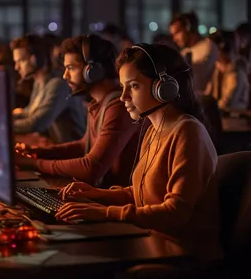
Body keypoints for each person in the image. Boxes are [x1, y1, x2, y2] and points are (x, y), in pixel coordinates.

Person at [56, 42, 223, 264]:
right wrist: (95, 195)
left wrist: (103, 213)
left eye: (133, 86)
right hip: (154, 241)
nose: (123, 96)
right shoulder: (154, 128)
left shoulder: (187, 132)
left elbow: (174, 213)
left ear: (163, 88)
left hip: (185, 256)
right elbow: (141, 194)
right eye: (123, 86)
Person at [16, 34, 149, 188]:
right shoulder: (97, 103)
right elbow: (83, 146)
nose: (65, 76)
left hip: (116, 200)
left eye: (71, 68)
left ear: (92, 71)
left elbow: (92, 167)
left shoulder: (119, 106)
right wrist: (36, 152)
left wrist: (34, 164)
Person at [12, 34, 86, 143]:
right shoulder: (39, 81)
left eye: (21, 61)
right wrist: (4, 117)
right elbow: (29, 112)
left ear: (34, 59)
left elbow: (37, 123)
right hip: (55, 147)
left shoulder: (58, 84)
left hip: (71, 153)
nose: (16, 67)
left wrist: (3, 125)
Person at [169, 12, 218, 93]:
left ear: (189, 28)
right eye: (173, 35)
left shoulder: (208, 46)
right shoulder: (184, 52)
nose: (175, 39)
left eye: (177, 32)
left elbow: (199, 70)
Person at [206, 30, 249, 110]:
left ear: (222, 47)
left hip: (234, 119)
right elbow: (208, 94)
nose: (208, 51)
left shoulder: (236, 71)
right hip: (221, 117)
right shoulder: (218, 68)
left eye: (212, 47)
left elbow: (228, 102)